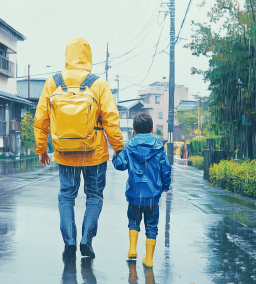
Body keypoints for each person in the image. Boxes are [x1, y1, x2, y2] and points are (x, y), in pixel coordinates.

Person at [34, 37, 124, 259]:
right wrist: (118, 148)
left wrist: (41, 149)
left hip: (64, 152)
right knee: (94, 195)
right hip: (94, 153)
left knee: (66, 196)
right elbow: (111, 119)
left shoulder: (52, 82)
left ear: (67, 56)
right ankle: (86, 239)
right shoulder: (98, 83)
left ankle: (69, 242)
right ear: (88, 57)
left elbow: (41, 119)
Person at [112, 112, 171, 268]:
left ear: (134, 130)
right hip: (152, 195)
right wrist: (165, 186)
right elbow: (165, 169)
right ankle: (149, 259)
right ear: (152, 130)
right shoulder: (159, 147)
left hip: (134, 193)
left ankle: (132, 249)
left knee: (133, 221)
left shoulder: (130, 146)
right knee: (152, 225)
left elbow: (120, 165)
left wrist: (115, 154)